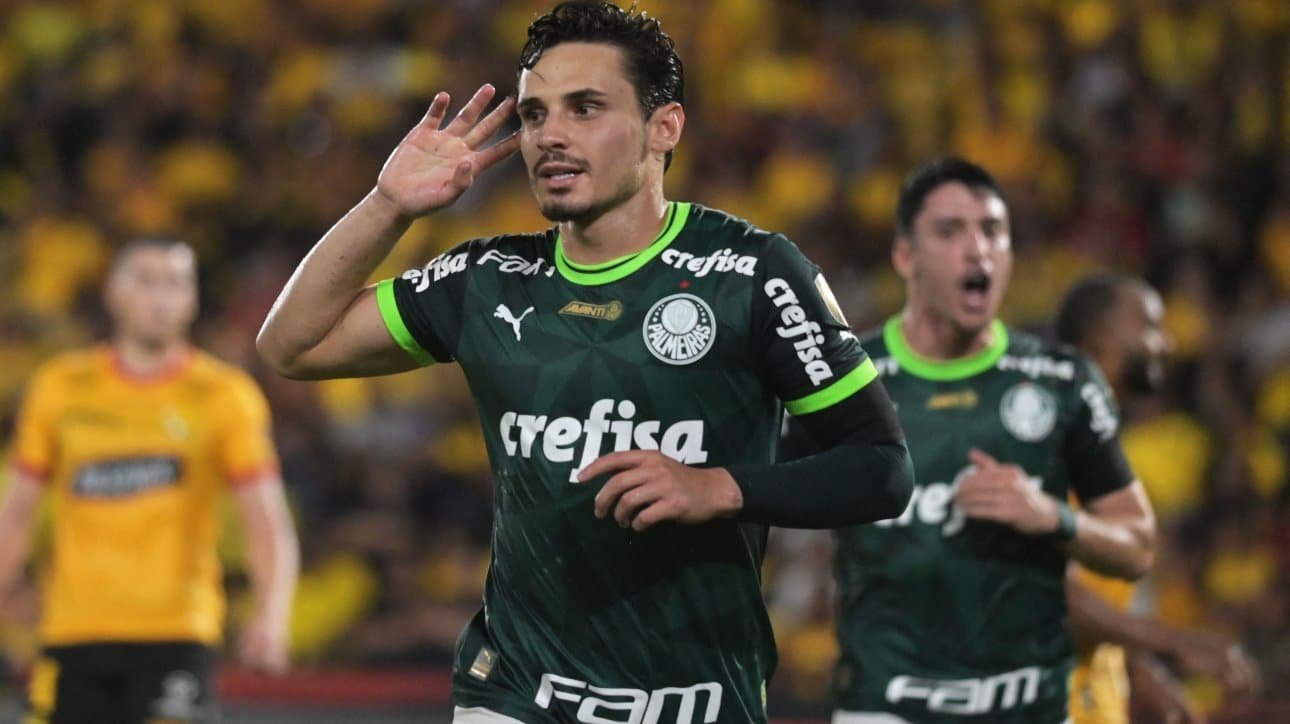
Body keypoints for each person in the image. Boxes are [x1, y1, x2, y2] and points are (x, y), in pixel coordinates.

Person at [256, 2, 914, 722]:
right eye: (535, 115)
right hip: (514, 694)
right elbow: (292, 345)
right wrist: (389, 206)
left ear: (665, 127)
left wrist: (720, 488)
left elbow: (880, 469)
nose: (551, 136)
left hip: (696, 700)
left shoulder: (753, 275)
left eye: (586, 108)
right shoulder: (488, 280)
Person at [817, 157, 1157, 723]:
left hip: (1034, 709)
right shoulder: (844, 383)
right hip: (886, 709)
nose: (977, 249)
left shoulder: (1063, 381)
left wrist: (1053, 516)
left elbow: (1137, 544)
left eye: (993, 231)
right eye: (950, 232)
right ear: (905, 256)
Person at [0, 239, 299, 724]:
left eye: (176, 283)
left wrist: (273, 614)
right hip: (73, 633)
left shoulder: (224, 396)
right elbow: (16, 513)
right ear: (113, 293)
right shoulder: (60, 387)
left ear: (193, 299)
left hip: (177, 633)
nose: (161, 297)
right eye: (146, 281)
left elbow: (265, 520)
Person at [1056, 274, 1260, 724]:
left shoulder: (1099, 440)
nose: (1166, 342)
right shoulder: (1051, 437)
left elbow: (1093, 599)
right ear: (1101, 339)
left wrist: (1143, 670)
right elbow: (1045, 592)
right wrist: (1174, 642)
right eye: (1149, 325)